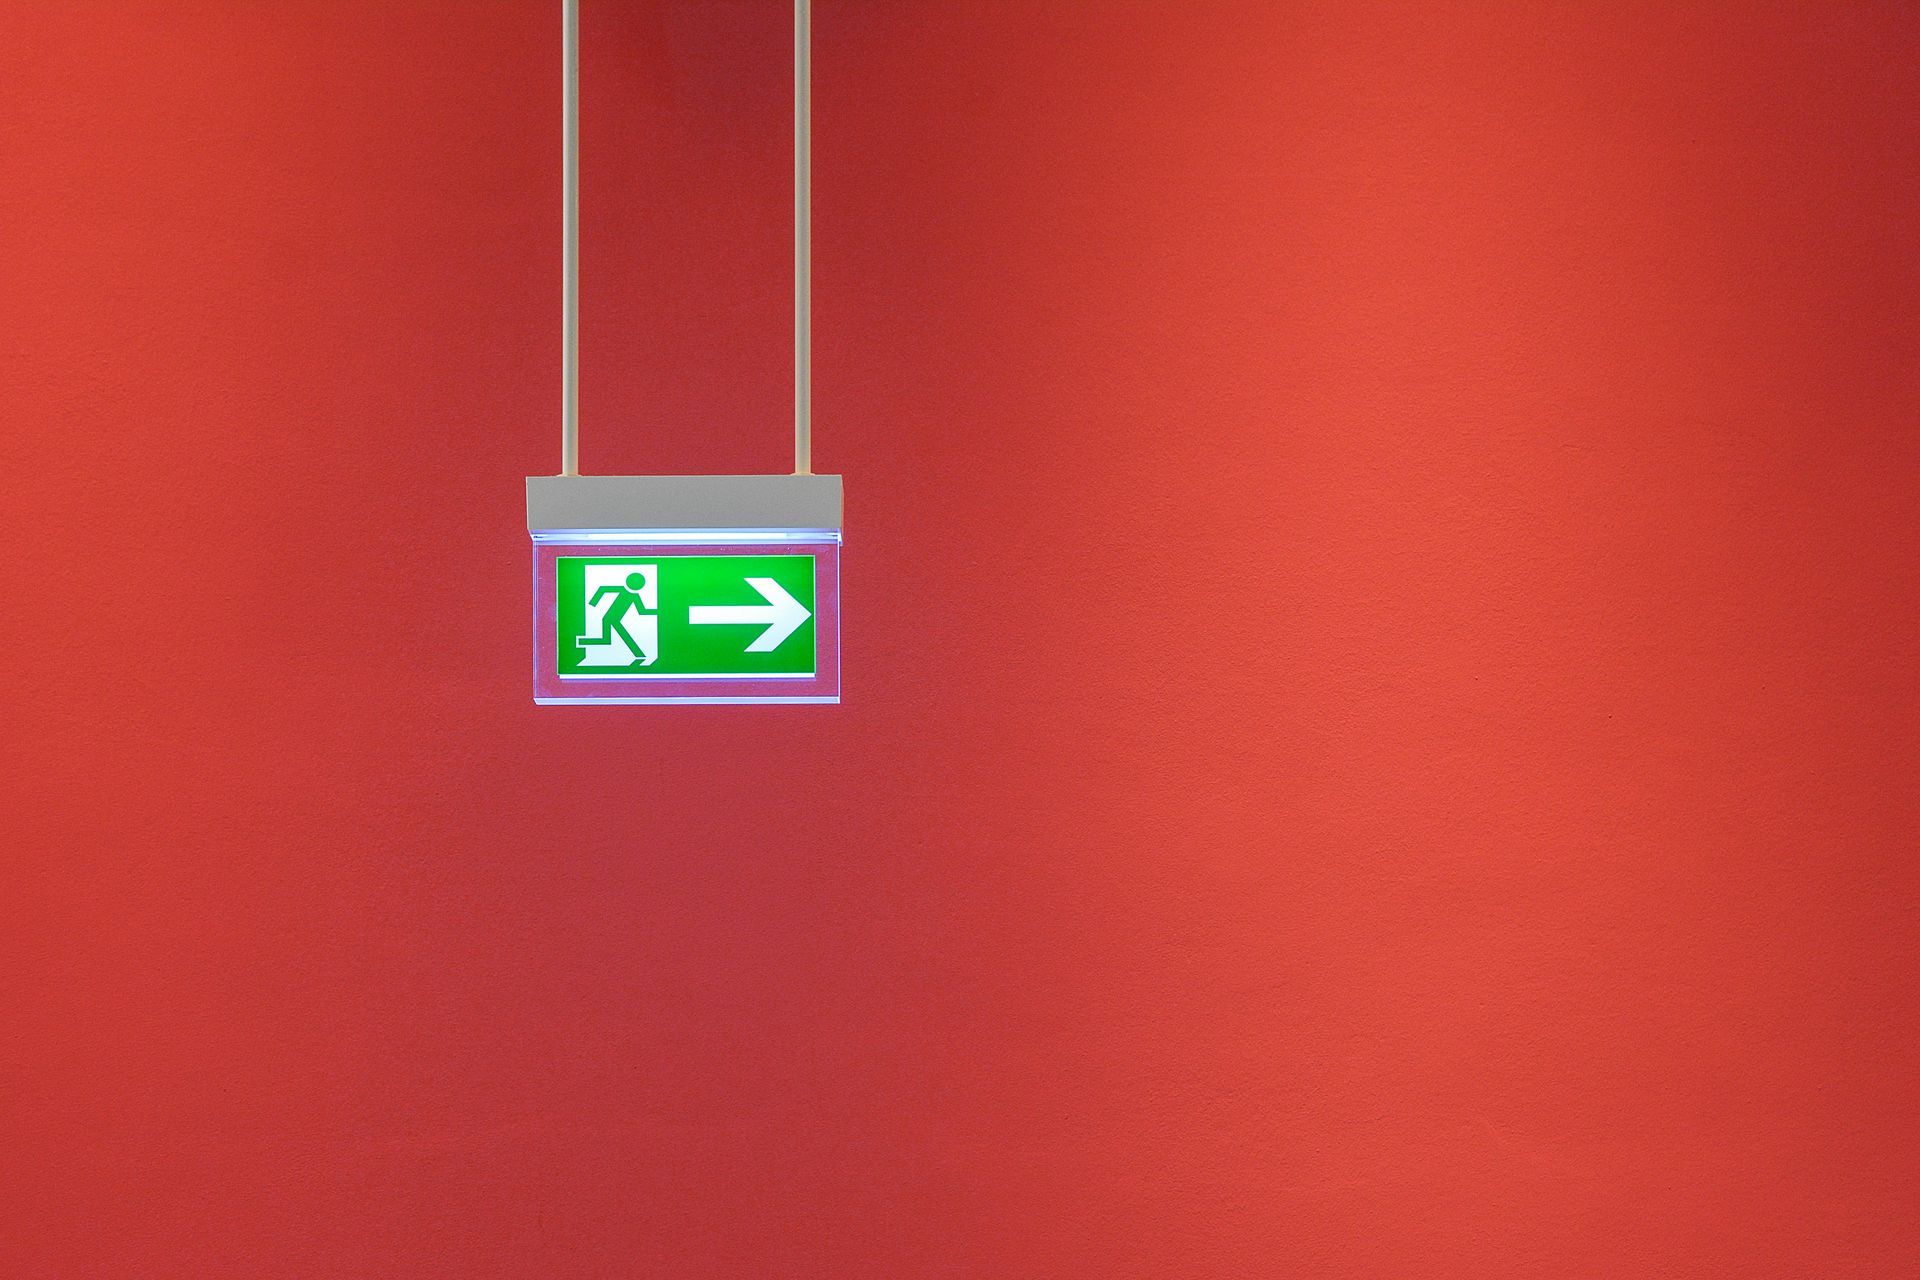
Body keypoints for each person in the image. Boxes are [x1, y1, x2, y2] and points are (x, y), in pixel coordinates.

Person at [588, 571, 654, 663]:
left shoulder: (635, 596)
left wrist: (656, 611)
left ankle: (639, 654)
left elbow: (642, 611)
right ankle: (639, 654)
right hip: (609, 618)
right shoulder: (622, 590)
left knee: (609, 638)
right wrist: (593, 602)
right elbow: (603, 589)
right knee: (608, 638)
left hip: (614, 619)